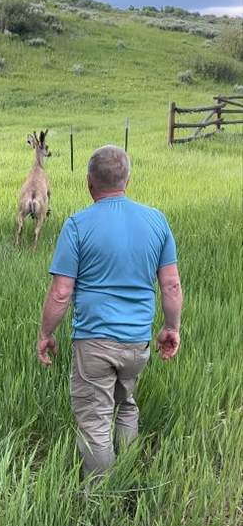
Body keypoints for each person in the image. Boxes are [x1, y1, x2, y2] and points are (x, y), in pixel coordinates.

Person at [37, 145, 182, 479]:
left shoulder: (77, 225)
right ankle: (128, 474)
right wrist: (170, 328)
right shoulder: (156, 221)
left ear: (89, 183)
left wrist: (46, 334)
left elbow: (61, 292)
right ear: (127, 180)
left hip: (95, 344)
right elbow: (171, 285)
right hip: (137, 343)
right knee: (125, 403)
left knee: (94, 421)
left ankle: (103, 497)